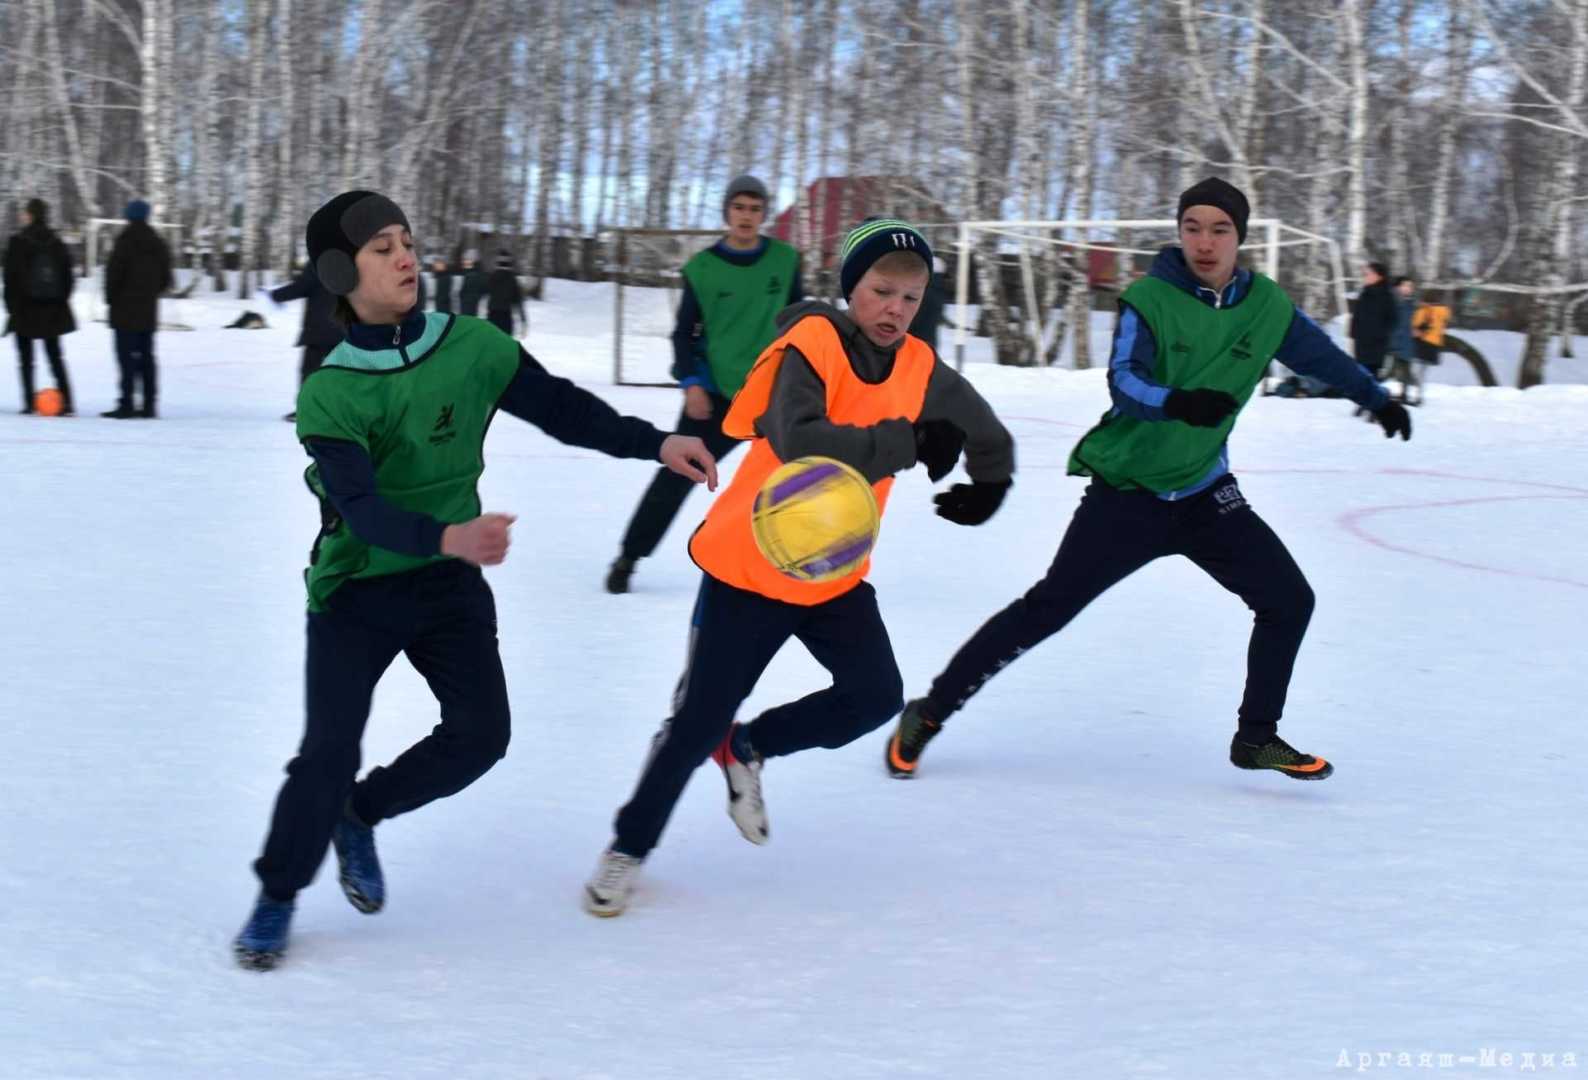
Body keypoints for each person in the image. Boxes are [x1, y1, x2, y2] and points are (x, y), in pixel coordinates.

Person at [232, 190, 719, 970]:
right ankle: (278, 894)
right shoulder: (330, 390)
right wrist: (450, 533)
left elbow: (561, 408)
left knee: (481, 737)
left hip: (446, 585)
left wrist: (656, 444)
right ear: (339, 272)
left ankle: (360, 814)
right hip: (356, 589)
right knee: (326, 752)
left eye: (407, 239)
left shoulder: (474, 346)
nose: (404, 256)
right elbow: (359, 509)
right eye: (381, 247)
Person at [882, 178, 1412, 786]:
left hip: (1205, 494)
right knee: (1047, 609)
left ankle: (1256, 736)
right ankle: (929, 712)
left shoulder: (1266, 305)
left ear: (1240, 236)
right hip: (1126, 496)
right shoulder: (1149, 299)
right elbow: (1123, 382)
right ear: (1179, 231)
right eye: (1193, 227)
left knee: (1289, 600)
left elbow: (1320, 356)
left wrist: (1377, 399)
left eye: (1219, 229)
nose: (1205, 242)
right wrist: (1178, 403)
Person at [583, 218, 1015, 917]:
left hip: (830, 573)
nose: (894, 310)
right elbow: (798, 438)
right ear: (852, 289)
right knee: (693, 723)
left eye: (911, 298)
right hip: (748, 568)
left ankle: (748, 746)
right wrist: (906, 442)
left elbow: (985, 427)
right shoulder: (809, 342)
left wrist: (990, 482)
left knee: (874, 696)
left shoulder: (917, 365)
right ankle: (628, 847)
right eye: (880, 292)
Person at [604, 174, 805, 594]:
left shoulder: (785, 262)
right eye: (739, 207)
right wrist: (691, 383)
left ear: (764, 214)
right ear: (727, 212)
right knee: (675, 476)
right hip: (715, 398)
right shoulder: (702, 268)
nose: (746, 216)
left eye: (755, 208)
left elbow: (802, 326)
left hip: (772, 398)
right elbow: (683, 335)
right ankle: (628, 557)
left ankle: (793, 563)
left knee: (794, 479)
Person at [101, 199, 174, 419]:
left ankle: (127, 403)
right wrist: (150, 294)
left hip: (124, 311)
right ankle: (150, 404)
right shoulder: (158, 243)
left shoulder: (124, 241)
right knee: (147, 357)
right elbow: (166, 279)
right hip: (147, 311)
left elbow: (113, 275)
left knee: (125, 358)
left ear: (129, 216)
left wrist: (111, 299)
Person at [2, 198, 76, 416]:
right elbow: (68, 278)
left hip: (24, 309)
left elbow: (9, 278)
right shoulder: (57, 242)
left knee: (26, 360)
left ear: (30, 214)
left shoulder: (17, 241)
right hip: (52, 310)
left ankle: (28, 402)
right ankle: (67, 401)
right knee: (55, 357)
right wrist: (60, 300)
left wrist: (11, 306)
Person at [269, 260, 343, 423]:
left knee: (310, 370)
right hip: (347, 326)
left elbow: (302, 286)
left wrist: (274, 296)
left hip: (321, 328)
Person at [1350, 261, 1396, 380]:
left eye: (1369, 273)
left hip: (1376, 346)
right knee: (1360, 377)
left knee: (1371, 379)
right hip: (1361, 344)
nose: (1365, 276)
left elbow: (1393, 320)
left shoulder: (1387, 295)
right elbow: (1356, 316)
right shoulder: (1364, 293)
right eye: (1365, 273)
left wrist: (1379, 334)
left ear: (1379, 276)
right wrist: (1354, 333)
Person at [1408, 289, 1451, 408]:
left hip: (1423, 344)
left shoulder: (1424, 311)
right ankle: (1419, 396)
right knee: (1422, 372)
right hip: (1434, 345)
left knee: (1415, 370)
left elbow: (1414, 325)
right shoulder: (1443, 312)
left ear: (1425, 301)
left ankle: (1417, 395)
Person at [1385, 276, 1418, 405]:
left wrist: (1417, 329)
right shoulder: (1393, 301)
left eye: (1410, 286)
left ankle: (1403, 395)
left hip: (1407, 342)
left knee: (1405, 371)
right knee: (1386, 372)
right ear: (1398, 287)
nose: (1409, 288)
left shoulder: (1410, 303)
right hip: (1393, 343)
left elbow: (1411, 322)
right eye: (1406, 285)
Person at [484, 250, 524, 337]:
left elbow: (484, 295)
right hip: (506, 316)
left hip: (492, 315)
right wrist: (523, 320)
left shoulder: (491, 277)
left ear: (497, 262)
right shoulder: (512, 279)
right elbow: (518, 301)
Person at [458, 249, 485, 316]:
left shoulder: (473, 275)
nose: (465, 263)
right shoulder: (469, 274)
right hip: (468, 303)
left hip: (469, 304)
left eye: (467, 261)